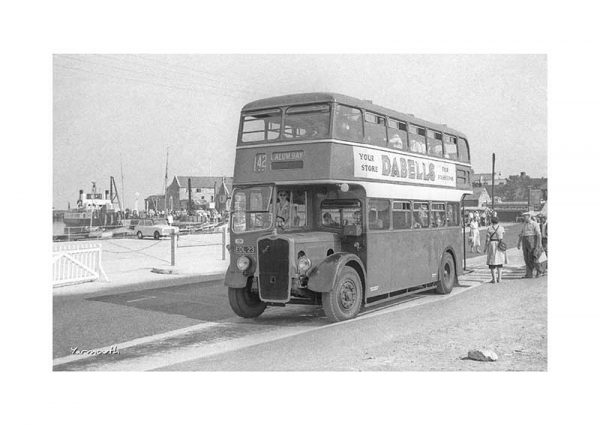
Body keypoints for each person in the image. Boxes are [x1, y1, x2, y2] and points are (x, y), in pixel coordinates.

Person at [517, 211, 542, 278]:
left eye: (525, 216)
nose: (524, 218)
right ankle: (529, 273)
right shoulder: (524, 224)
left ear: (529, 216)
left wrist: (539, 244)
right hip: (525, 241)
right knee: (526, 258)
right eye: (524, 216)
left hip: (532, 241)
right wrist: (519, 243)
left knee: (533, 257)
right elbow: (521, 234)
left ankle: (539, 271)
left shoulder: (534, 224)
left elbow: (539, 235)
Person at [484, 216, 507, 283]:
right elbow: (503, 235)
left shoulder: (489, 228)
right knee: (499, 261)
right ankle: (499, 278)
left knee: (492, 261)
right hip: (499, 244)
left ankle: (494, 279)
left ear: (491, 221)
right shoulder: (501, 228)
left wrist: (485, 247)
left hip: (492, 244)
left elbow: (487, 239)